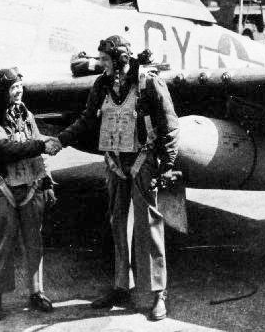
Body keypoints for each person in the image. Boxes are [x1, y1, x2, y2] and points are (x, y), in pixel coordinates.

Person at [54, 35, 179, 321]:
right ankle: (122, 286)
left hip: (142, 160)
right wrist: (60, 141)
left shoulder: (149, 83)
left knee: (148, 226)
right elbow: (87, 119)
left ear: (121, 59)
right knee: (117, 223)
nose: (101, 66)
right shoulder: (101, 85)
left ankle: (158, 293)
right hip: (113, 162)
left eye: (105, 61)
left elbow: (169, 127)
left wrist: (167, 164)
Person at [0, 67, 62, 321]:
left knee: (35, 243)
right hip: (2, 189)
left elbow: (35, 149)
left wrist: (48, 182)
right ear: (1, 92)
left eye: (20, 86)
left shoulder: (25, 114)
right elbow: (5, 148)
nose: (19, 91)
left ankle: (36, 292)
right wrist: (43, 143)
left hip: (31, 188)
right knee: (2, 246)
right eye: (13, 88)